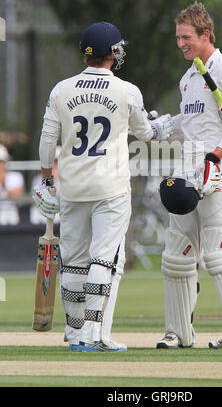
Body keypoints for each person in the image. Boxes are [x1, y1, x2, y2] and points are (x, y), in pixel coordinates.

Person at [32, 21, 173, 352]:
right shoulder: (127, 91)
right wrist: (162, 126)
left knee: (75, 261)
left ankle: (76, 332)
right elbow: (147, 133)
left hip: (73, 187)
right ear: (112, 53)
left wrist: (47, 181)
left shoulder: (61, 90)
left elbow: (46, 141)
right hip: (110, 188)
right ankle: (95, 334)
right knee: (103, 260)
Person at [156, 2, 222, 349]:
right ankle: (178, 333)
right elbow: (191, 124)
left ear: (205, 34)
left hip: (217, 168)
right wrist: (163, 126)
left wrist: (214, 158)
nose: (181, 43)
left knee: (221, 253)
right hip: (187, 167)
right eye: (178, 37)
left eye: (186, 37)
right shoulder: (189, 77)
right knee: (177, 254)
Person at [0, 144, 24, 225]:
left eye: (1, 162)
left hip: (11, 215)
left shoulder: (16, 176)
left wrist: (3, 183)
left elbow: (17, 195)